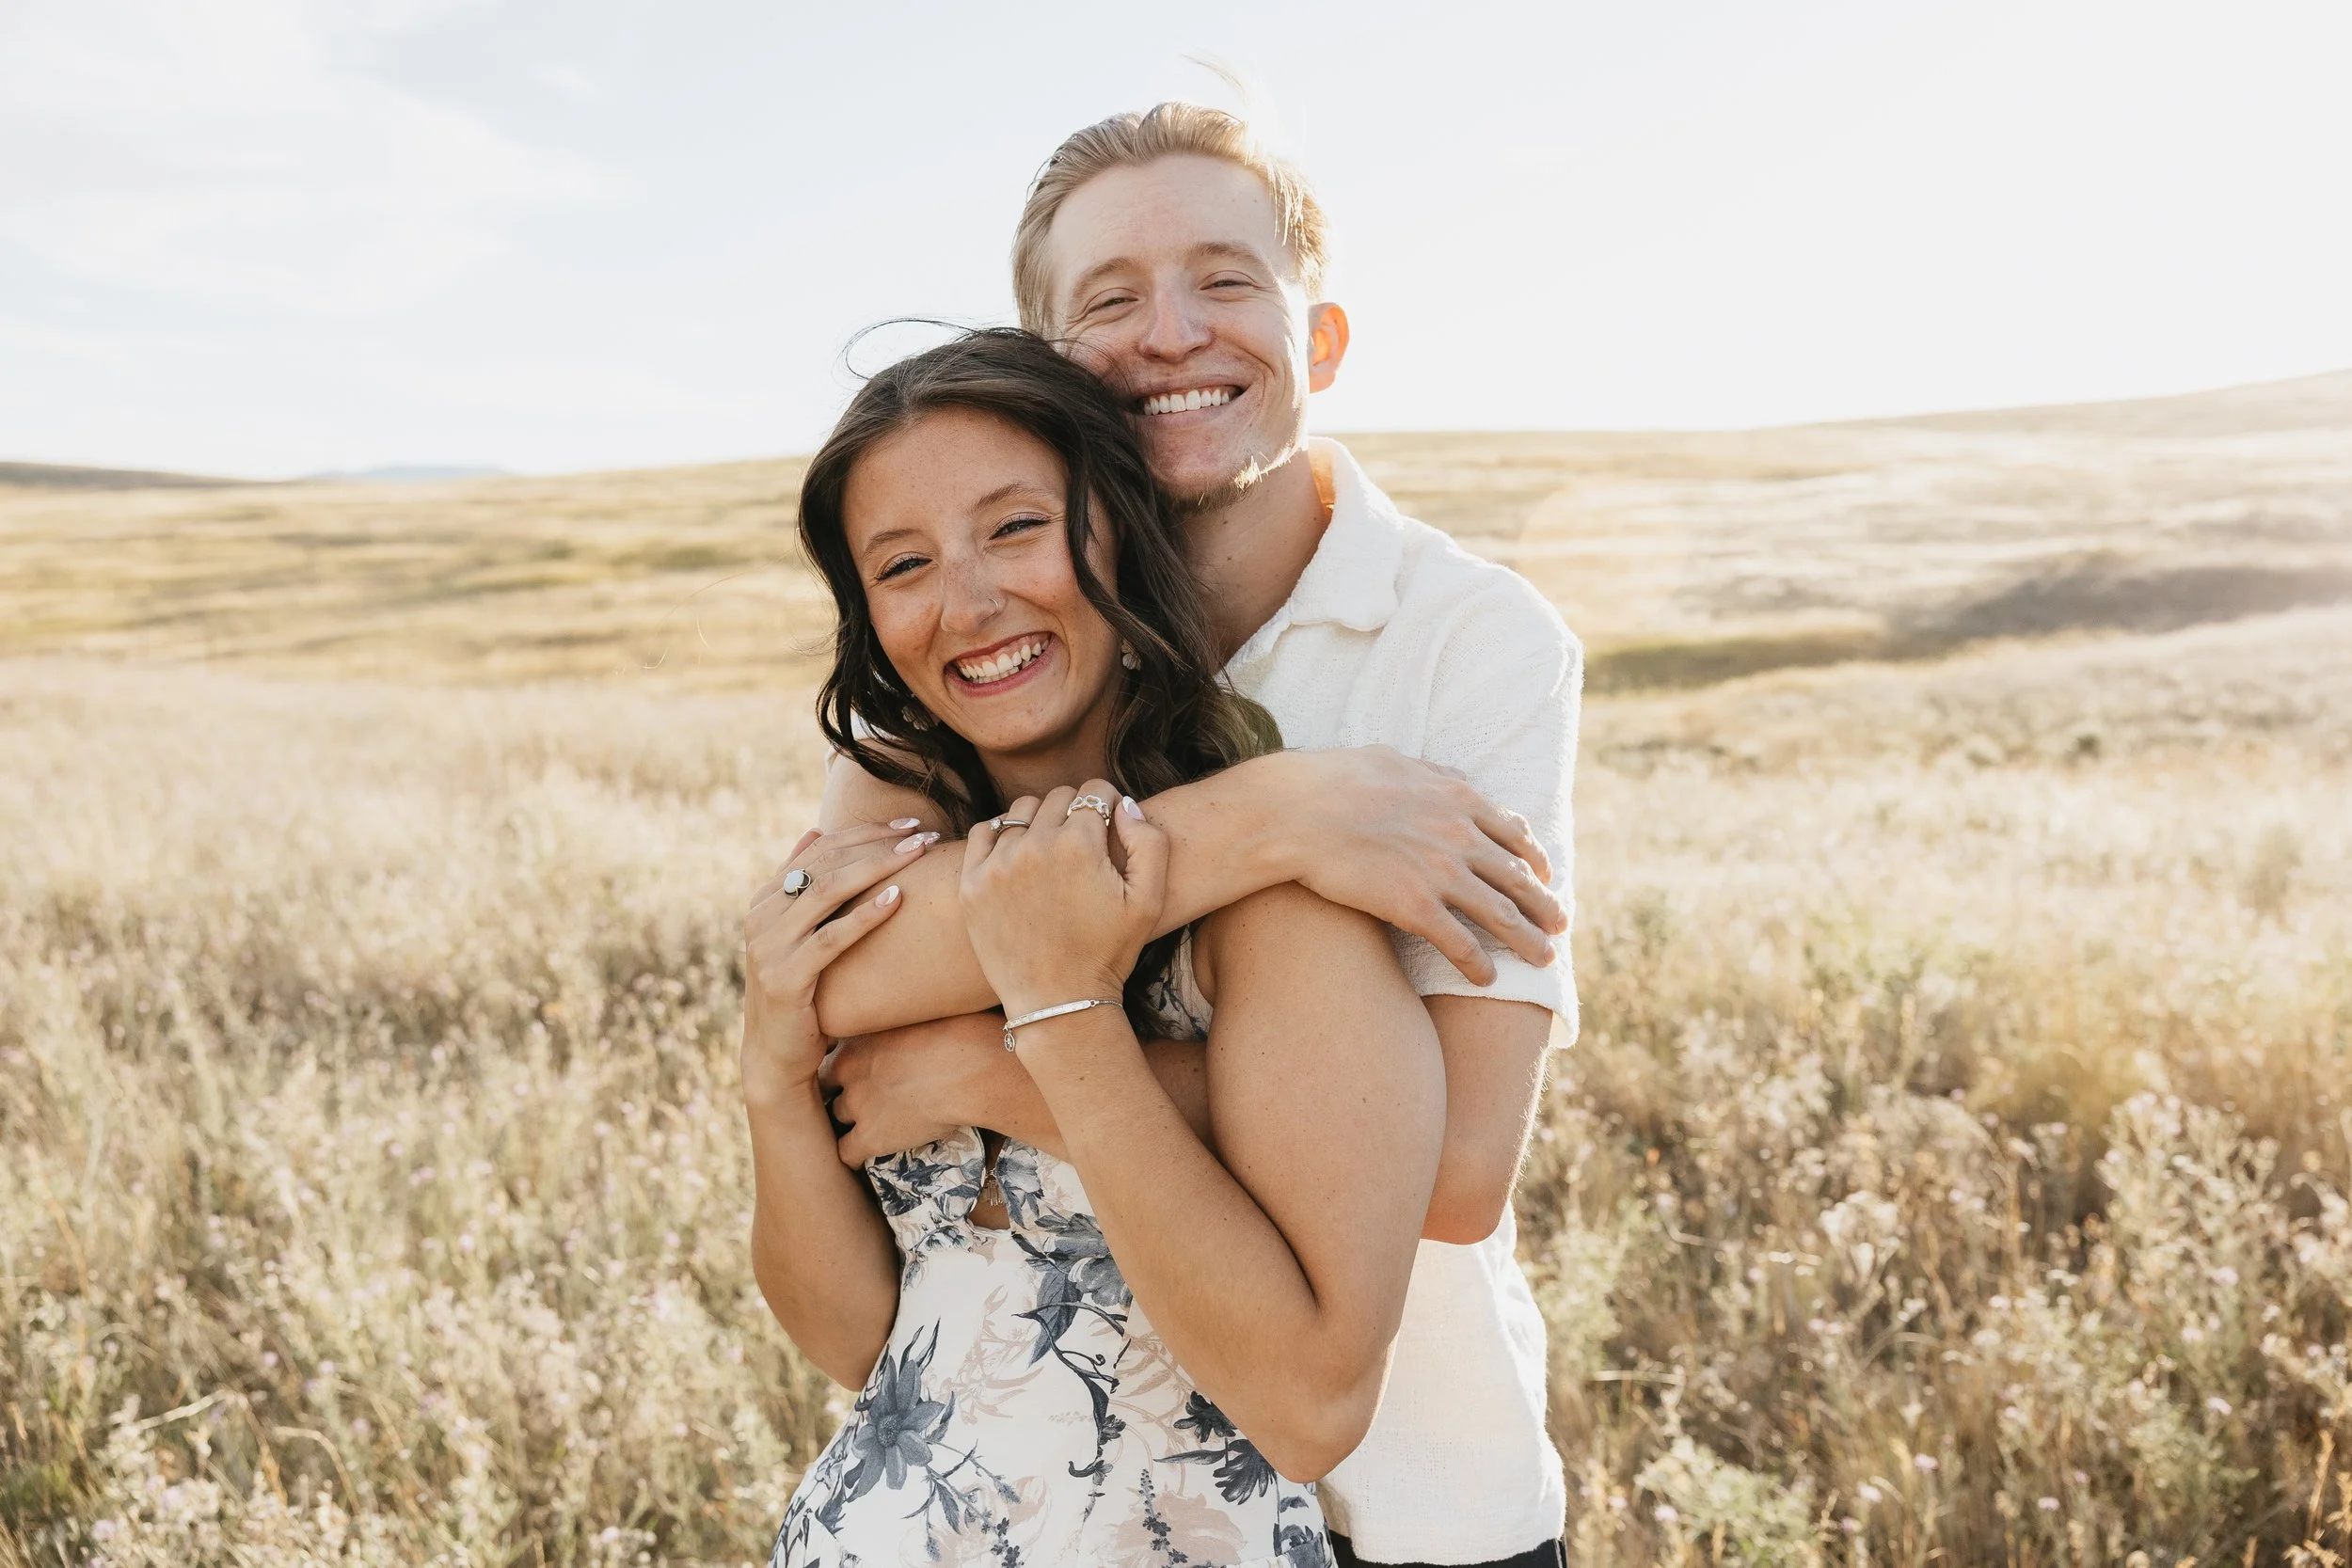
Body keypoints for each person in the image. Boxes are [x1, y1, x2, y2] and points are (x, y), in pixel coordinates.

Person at [807, 105, 1583, 1568]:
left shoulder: (1469, 640)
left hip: (1411, 1496)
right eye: (1108, 299)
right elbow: (842, 975)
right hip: (1096, 1507)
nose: (1171, 333)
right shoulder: (1009, 625)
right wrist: (1276, 812)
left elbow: (1465, 1157)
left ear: (1322, 339)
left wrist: (1000, 1059)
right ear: (1042, 367)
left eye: (1226, 281)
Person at [741, 328, 1448, 1566]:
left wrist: (1045, 1027)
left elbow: (1312, 1404)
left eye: (1016, 528)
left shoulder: (1278, 904)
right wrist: (766, 1076)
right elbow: (866, 1343)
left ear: (1117, 526)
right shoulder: (888, 875)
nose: (967, 601)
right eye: (903, 564)